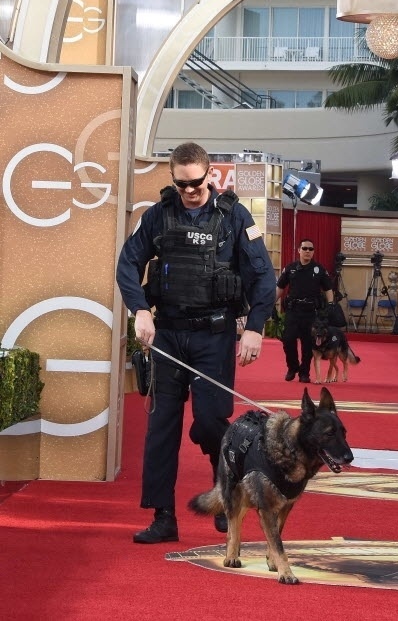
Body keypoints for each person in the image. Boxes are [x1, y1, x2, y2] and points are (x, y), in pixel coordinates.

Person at [116, 142, 276, 544]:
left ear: (211, 176)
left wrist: (255, 327)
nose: (189, 191)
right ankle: (163, 516)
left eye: (197, 183)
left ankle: (226, 494)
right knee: (162, 428)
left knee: (209, 422)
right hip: (168, 335)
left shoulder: (234, 217)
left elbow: (263, 279)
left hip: (213, 336)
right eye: (181, 183)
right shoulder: (158, 217)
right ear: (173, 178)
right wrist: (141, 310)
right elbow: (127, 265)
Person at [276, 238, 334, 383]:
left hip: (310, 312)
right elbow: (280, 288)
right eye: (305, 248)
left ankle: (304, 373)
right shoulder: (290, 268)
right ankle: (292, 367)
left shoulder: (319, 269)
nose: (308, 251)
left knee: (308, 343)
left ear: (313, 252)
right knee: (288, 340)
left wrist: (331, 304)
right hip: (293, 310)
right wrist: (270, 304)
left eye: (311, 249)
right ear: (299, 250)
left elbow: (328, 288)